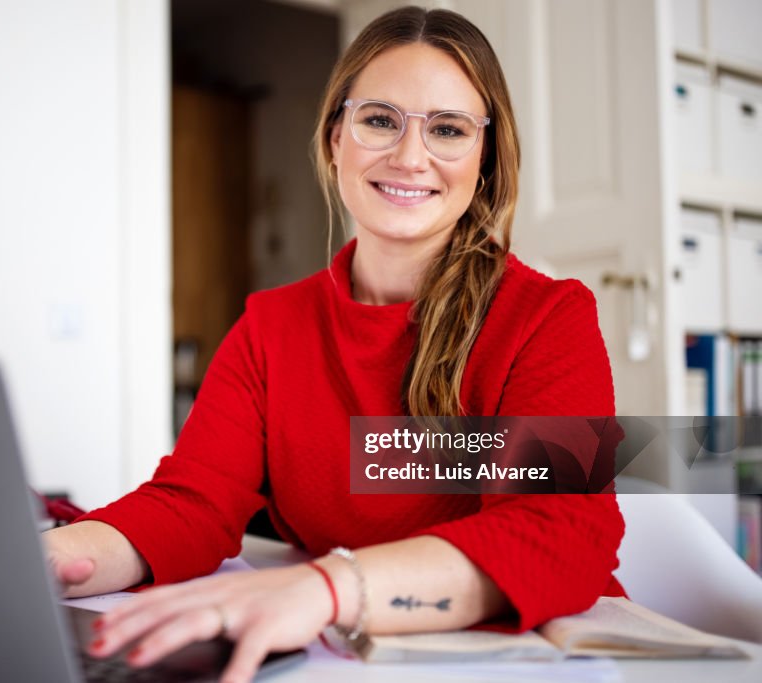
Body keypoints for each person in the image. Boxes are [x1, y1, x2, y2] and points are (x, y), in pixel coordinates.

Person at [44, 7, 624, 683]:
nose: (410, 156)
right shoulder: (269, 328)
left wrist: (326, 585)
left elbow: (560, 536)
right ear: (333, 139)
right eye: (380, 119)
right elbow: (190, 505)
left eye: (448, 129)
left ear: (485, 160)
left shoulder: (551, 318)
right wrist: (46, 558)